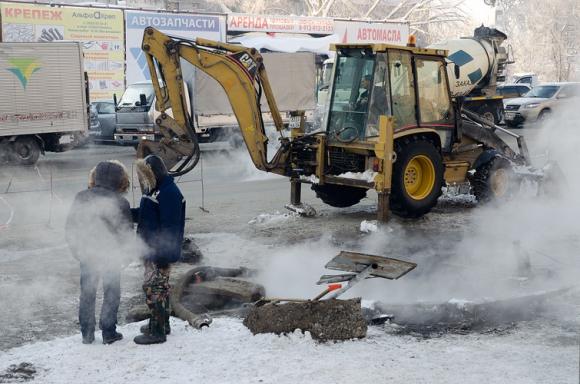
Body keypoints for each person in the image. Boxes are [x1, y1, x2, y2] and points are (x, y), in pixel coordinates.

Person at [65, 160, 133, 344]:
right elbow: (125, 232)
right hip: (111, 256)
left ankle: (87, 334)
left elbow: (71, 226)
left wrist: (76, 250)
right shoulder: (121, 202)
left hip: (87, 253)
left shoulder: (81, 197)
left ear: (96, 176)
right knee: (112, 292)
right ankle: (109, 332)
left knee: (87, 293)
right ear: (119, 179)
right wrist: (126, 255)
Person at [133, 154, 185, 345]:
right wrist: (126, 214)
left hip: (159, 252)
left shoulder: (169, 193)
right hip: (150, 249)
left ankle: (157, 332)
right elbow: (147, 215)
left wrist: (163, 255)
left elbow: (170, 227)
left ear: (152, 173)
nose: (141, 180)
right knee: (157, 288)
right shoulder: (155, 190)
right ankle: (162, 323)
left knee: (155, 289)